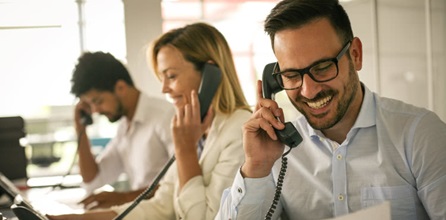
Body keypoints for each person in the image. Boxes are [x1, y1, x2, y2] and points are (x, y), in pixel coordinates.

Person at [216, 0, 446, 220]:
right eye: (292, 75)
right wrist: (256, 167)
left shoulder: (421, 134)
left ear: (355, 55)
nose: (308, 90)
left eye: (323, 67)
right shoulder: (277, 151)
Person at [48, 22, 252, 220]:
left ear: (211, 74)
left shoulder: (239, 131)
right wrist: (71, 219)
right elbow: (161, 206)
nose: (164, 89)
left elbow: (203, 217)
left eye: (171, 76)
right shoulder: (196, 129)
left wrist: (185, 150)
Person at [69, 51, 175, 209]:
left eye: (98, 101)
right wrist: (80, 129)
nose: (95, 111)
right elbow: (92, 180)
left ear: (120, 87)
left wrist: (124, 198)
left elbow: (181, 183)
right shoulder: (124, 128)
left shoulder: (165, 116)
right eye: (90, 105)